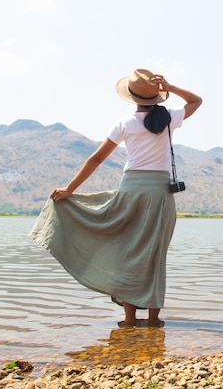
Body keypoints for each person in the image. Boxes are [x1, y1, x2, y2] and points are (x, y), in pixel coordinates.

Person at [30, 68, 202, 327]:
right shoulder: (168, 118)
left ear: (133, 97)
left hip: (131, 189)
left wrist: (70, 190)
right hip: (160, 193)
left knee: (127, 252)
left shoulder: (124, 122)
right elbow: (196, 101)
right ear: (157, 97)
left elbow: (97, 158)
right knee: (155, 254)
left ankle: (129, 319)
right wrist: (170, 86)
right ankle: (154, 319)